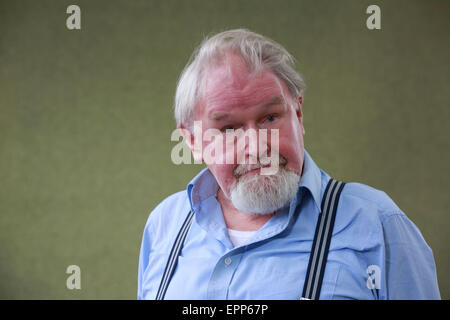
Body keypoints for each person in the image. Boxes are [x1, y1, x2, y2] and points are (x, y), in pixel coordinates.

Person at [137, 29, 440, 300]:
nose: (256, 147)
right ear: (192, 141)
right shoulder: (165, 226)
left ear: (298, 114)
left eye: (270, 118)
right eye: (229, 129)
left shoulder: (379, 223)